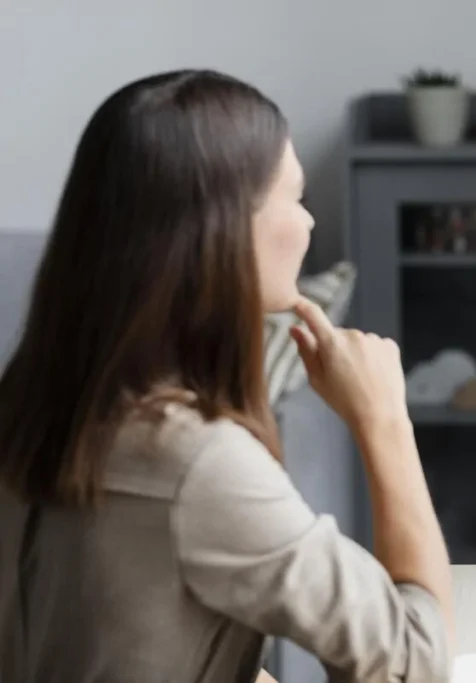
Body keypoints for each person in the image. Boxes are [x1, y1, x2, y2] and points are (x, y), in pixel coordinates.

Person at [0, 69, 451, 683]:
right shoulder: (197, 462)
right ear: (225, 230)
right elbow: (417, 665)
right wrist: (385, 420)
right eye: (296, 197)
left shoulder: (30, 403)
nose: (310, 224)